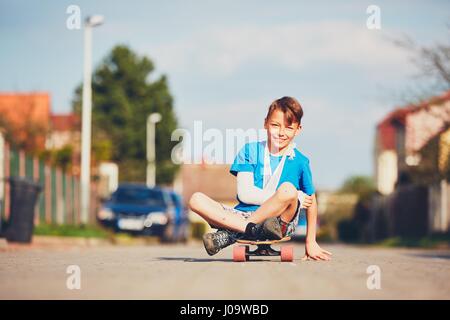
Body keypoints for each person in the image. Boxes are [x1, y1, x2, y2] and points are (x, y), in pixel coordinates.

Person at [189, 96, 332, 261]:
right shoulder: (249, 151)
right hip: (243, 215)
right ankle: (251, 229)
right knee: (195, 199)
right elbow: (245, 195)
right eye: (275, 125)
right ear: (265, 123)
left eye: (288, 127)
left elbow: (311, 201)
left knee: (288, 190)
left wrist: (311, 241)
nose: (281, 132)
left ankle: (232, 233)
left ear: (298, 129)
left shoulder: (300, 161)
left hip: (279, 221)